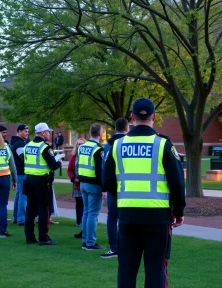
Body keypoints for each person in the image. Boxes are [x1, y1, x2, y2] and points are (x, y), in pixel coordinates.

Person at [104, 98, 186, 288]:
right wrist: (179, 211)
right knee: (155, 269)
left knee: (126, 269)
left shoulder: (117, 145)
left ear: (131, 117)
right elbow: (177, 182)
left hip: (127, 216)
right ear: (154, 117)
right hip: (157, 216)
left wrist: (125, 194)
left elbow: (107, 180)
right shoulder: (163, 144)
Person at [24, 122, 61, 245]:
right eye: (48, 132)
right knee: (44, 209)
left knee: (30, 209)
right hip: (41, 181)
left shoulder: (28, 145)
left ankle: (29, 237)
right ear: (43, 133)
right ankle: (43, 237)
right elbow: (53, 165)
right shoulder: (44, 147)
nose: (50, 134)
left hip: (28, 179)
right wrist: (59, 161)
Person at [100, 118, 129, 259]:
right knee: (126, 217)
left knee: (112, 217)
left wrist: (106, 188)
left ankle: (114, 247)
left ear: (115, 128)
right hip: (128, 187)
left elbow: (105, 168)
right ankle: (128, 247)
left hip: (113, 186)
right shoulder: (129, 142)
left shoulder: (109, 144)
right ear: (127, 128)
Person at [78, 123, 105, 251]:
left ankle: (85, 240)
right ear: (100, 134)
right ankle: (90, 242)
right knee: (93, 214)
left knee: (86, 212)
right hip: (94, 184)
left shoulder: (82, 147)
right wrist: (104, 188)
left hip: (83, 183)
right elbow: (100, 171)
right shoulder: (98, 149)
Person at [67, 138, 86, 238]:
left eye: (82, 144)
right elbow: (69, 170)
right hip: (76, 183)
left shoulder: (87, 156)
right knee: (79, 203)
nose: (80, 146)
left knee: (85, 203)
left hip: (85, 182)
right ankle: (78, 221)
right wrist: (73, 178)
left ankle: (84, 222)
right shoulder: (74, 157)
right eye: (79, 144)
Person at [10, 124, 29, 226]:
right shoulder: (19, 143)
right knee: (23, 195)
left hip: (18, 171)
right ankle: (21, 218)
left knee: (19, 195)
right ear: (19, 131)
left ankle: (16, 217)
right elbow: (23, 157)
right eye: (25, 131)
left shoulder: (16, 142)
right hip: (21, 171)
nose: (27, 133)